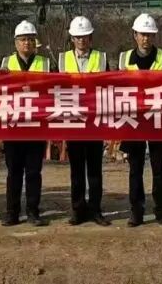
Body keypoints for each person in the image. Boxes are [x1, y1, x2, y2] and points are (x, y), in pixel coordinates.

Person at [119, 13, 162, 228]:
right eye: (142, 34)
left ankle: (161, 212)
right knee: (136, 170)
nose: (146, 38)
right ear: (135, 35)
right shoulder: (124, 59)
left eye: (149, 35)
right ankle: (136, 212)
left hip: (158, 119)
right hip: (133, 120)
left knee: (159, 169)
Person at [58, 16, 110, 226]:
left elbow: (109, 88)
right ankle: (78, 209)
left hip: (95, 121)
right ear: (72, 38)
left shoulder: (102, 58)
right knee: (77, 170)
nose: (81, 40)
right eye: (78, 37)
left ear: (91, 38)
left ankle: (95, 210)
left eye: (85, 37)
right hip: (73, 120)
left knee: (95, 169)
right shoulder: (62, 60)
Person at [0, 20, 51, 227]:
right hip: (13, 126)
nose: (27, 43)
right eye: (23, 40)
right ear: (16, 42)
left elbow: (52, 92)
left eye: (30, 39)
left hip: (36, 126)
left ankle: (33, 211)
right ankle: (12, 212)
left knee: (33, 172)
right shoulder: (6, 63)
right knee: (13, 172)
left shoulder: (45, 64)